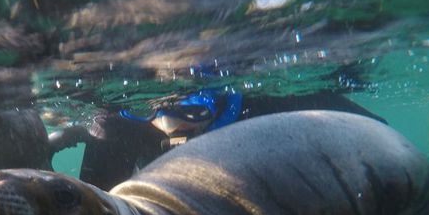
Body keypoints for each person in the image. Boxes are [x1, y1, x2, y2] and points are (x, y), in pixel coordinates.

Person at [50, 86, 387, 191]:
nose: (167, 124)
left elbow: (377, 133)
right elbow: (94, 214)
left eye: (191, 108)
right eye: (147, 110)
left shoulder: (267, 104)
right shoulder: (118, 126)